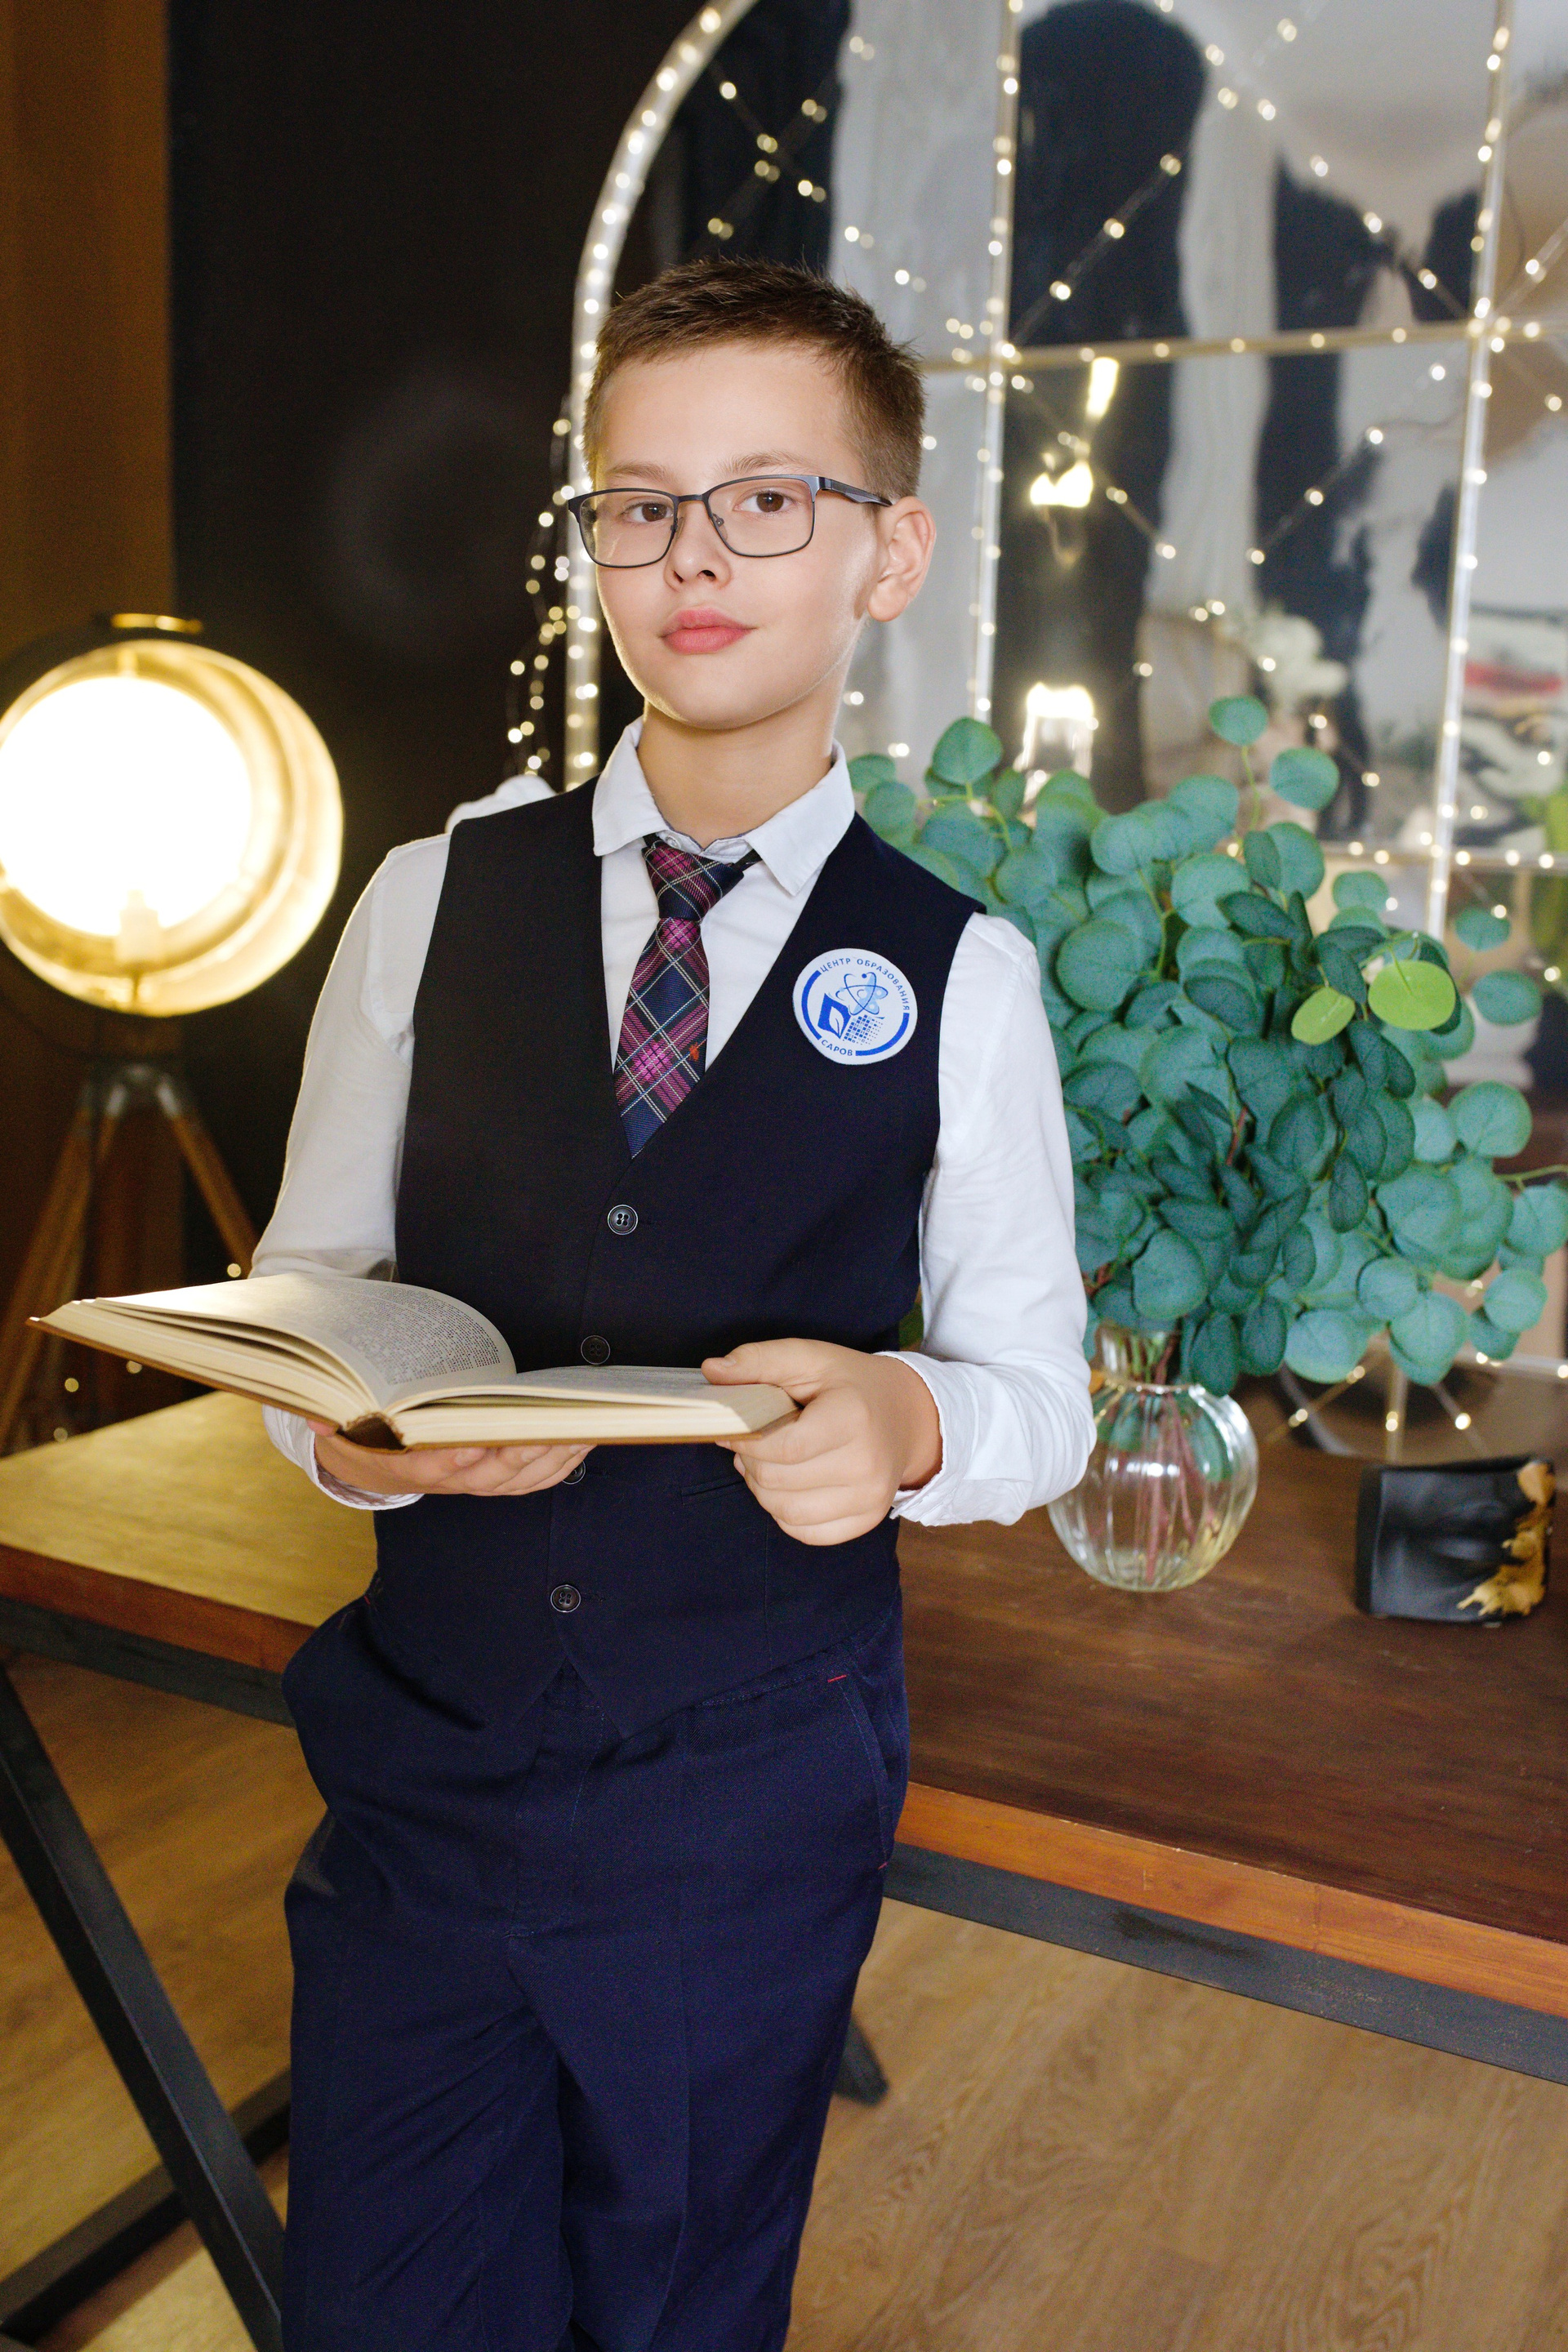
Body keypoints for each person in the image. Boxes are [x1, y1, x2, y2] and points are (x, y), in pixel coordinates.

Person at [255, 256, 1094, 2352]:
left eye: (766, 500)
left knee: (681, 2302)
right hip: (428, 1767)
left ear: (889, 551)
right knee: (382, 2299)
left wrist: (907, 1424)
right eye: (638, 504)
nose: (692, 556)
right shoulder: (431, 899)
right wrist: (356, 1440)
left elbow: (1041, 1393)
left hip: (749, 1793)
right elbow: (309, 1288)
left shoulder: (963, 975)